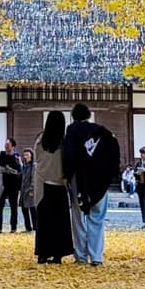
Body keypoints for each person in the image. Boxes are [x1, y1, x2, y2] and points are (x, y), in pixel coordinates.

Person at [62, 101, 121, 266]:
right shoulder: (101, 131)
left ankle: (81, 256)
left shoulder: (72, 130)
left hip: (79, 179)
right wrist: (113, 173)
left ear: (73, 116)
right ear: (88, 115)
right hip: (100, 180)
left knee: (78, 218)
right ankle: (96, 257)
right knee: (98, 218)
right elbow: (114, 149)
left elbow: (69, 155)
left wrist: (66, 175)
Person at [33, 111, 74, 263]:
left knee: (44, 223)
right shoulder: (64, 142)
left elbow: (37, 159)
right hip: (59, 186)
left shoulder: (40, 140)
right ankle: (58, 255)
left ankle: (43, 253)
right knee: (60, 222)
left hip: (44, 185)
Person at [0, 138, 25, 233]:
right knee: (0, 206)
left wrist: (15, 170)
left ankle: (13, 228)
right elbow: (0, 168)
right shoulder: (2, 154)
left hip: (14, 185)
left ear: (12, 146)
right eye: (5, 144)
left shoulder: (17, 156)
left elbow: (21, 169)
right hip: (3, 184)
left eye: (8, 144)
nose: (6, 146)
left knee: (14, 207)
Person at [19, 147, 37, 233]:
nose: (25, 156)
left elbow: (33, 178)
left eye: (27, 154)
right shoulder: (24, 165)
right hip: (23, 190)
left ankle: (35, 227)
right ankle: (28, 227)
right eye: (24, 154)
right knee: (24, 209)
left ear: (31, 155)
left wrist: (32, 189)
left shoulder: (33, 165)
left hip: (30, 191)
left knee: (32, 209)